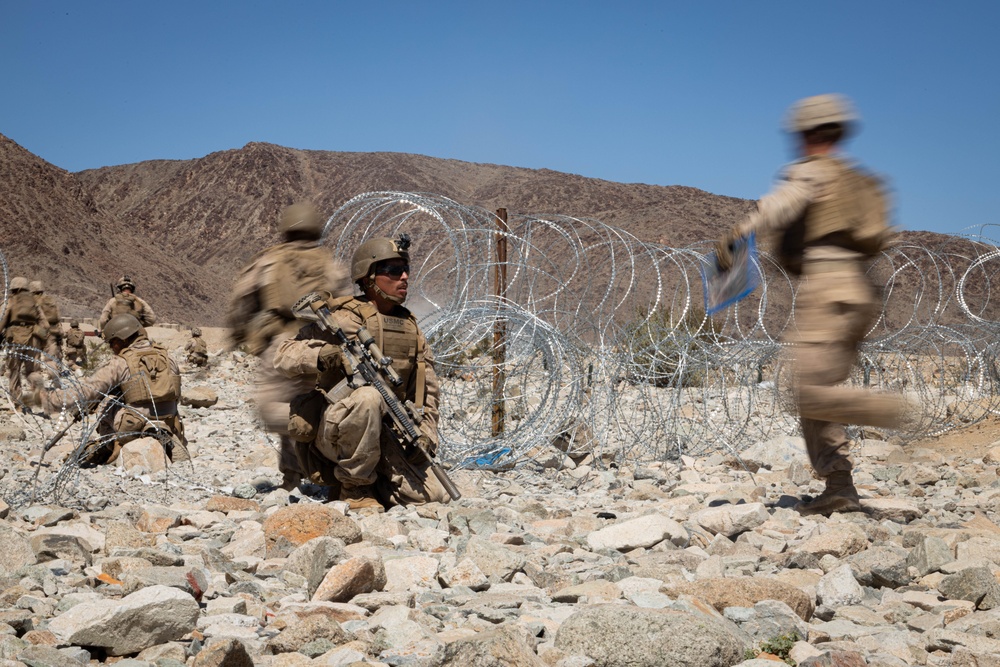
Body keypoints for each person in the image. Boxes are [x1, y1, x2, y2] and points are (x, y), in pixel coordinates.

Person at [715, 93, 904, 515]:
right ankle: (840, 486)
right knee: (817, 389)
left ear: (808, 133)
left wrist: (741, 231)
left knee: (806, 392)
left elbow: (783, 202)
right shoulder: (858, 180)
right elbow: (883, 234)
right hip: (862, 289)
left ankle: (889, 409)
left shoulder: (814, 170)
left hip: (827, 287)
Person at [274, 234, 448, 510]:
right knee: (368, 397)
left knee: (433, 497)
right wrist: (322, 355)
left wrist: (426, 435)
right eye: (393, 270)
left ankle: (376, 479)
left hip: (388, 428)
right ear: (369, 278)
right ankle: (354, 488)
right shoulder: (342, 318)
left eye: (405, 269)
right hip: (336, 430)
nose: (404, 277)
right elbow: (283, 354)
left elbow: (428, 392)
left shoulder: (410, 327)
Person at [226, 203, 352, 490]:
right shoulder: (329, 263)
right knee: (311, 402)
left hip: (282, 346)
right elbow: (346, 304)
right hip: (323, 348)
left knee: (271, 410)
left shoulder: (269, 261)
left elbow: (241, 300)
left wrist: (238, 335)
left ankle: (312, 444)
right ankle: (300, 474)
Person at [35, 313, 186, 466]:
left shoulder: (120, 362)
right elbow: (175, 394)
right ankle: (167, 436)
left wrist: (49, 399)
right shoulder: (168, 357)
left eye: (112, 343)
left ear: (123, 340)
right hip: (169, 421)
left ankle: (111, 444)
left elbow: (87, 390)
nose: (111, 348)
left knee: (106, 402)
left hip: (134, 424)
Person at [1, 276, 44, 402]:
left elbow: (2, 319)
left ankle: (17, 402)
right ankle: (39, 393)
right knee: (31, 371)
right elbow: (45, 324)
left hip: (15, 340)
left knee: (14, 371)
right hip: (33, 340)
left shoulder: (10, 301)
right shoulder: (34, 303)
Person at [30, 280, 63, 364]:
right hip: (53, 330)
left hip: (39, 330)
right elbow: (58, 316)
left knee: (35, 354)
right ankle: (53, 369)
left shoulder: (33, 300)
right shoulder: (51, 300)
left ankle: (34, 369)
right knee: (51, 356)